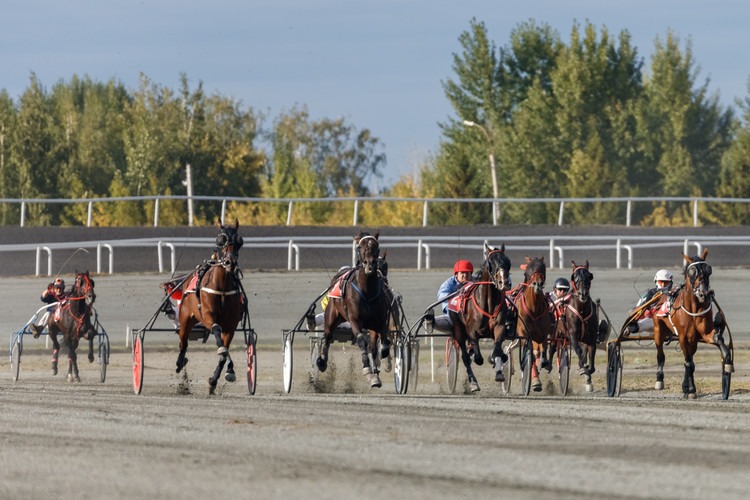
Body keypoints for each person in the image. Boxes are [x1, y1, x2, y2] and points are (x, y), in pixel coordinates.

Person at [425, 259, 473, 333]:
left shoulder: (476, 282)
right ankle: (431, 322)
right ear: (456, 274)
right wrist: (456, 297)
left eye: (467, 273)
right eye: (462, 273)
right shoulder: (449, 283)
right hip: (453, 312)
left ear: (471, 274)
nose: (465, 275)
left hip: (471, 312)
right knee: (452, 320)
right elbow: (441, 295)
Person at [627, 269, 673, 334]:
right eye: (660, 282)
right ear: (656, 282)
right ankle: (631, 328)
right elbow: (639, 308)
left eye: (666, 282)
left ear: (670, 283)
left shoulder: (674, 293)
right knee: (633, 314)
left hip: (669, 321)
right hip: (652, 321)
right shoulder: (651, 293)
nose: (663, 285)